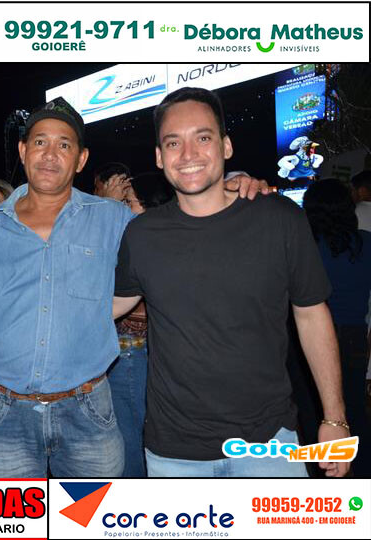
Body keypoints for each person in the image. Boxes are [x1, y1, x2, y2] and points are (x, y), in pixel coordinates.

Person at [0, 96, 265, 478]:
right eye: (40, 142)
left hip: (87, 411)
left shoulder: (115, 219)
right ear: (22, 150)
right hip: (4, 414)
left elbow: (179, 230)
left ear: (81, 159)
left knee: (94, 511)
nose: (50, 154)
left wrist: (229, 188)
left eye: (64, 145)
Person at [114, 87, 350, 478]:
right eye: (173, 143)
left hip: (268, 442)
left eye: (202, 138)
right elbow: (111, 304)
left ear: (226, 146)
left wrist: (334, 417)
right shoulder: (142, 234)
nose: (187, 154)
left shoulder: (279, 219)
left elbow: (311, 315)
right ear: (159, 156)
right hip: (175, 452)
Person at [304, 178, 371, 477]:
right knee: (354, 410)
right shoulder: (366, 242)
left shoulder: (306, 247)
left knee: (314, 410)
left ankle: (322, 477)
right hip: (354, 335)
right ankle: (361, 477)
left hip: (312, 338)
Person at [109, 172, 175, 477]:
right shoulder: (155, 238)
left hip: (133, 352)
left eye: (129, 202)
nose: (125, 208)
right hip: (135, 352)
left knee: (131, 439)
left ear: (150, 206)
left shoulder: (146, 243)